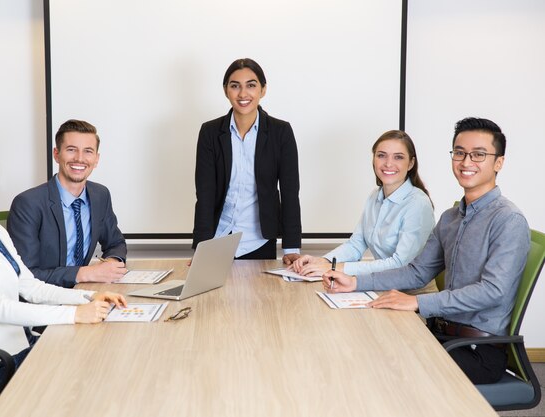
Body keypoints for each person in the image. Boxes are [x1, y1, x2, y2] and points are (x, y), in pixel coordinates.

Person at [323, 117, 530, 384]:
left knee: (385, 367)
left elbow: (493, 291)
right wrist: (354, 282)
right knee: (361, 344)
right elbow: (417, 272)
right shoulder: (450, 217)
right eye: (459, 153)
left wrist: (419, 302)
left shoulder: (508, 220)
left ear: (498, 162)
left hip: (478, 351)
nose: (466, 162)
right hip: (443, 334)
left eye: (478, 155)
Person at [0, 143, 127, 392]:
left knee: (102, 358)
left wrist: (88, 296)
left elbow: (29, 286)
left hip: (20, 346)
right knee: (88, 378)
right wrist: (75, 314)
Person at [290, 130, 435, 293]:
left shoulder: (417, 204)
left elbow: (399, 264)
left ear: (410, 163)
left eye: (398, 157)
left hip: (412, 299)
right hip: (382, 288)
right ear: (373, 159)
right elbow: (356, 244)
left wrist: (334, 268)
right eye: (381, 155)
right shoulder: (375, 196)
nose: (388, 163)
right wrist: (322, 261)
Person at [192, 58, 301, 262]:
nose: (243, 94)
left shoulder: (281, 132)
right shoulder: (210, 132)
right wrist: (201, 248)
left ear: (263, 89)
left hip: (258, 241)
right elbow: (205, 196)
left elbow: (290, 193)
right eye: (235, 86)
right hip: (217, 240)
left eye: (251, 85)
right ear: (226, 90)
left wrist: (291, 248)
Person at [8, 119, 127, 288]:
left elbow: (115, 243)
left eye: (88, 151)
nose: (79, 158)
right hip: (45, 300)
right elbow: (25, 274)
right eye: (71, 150)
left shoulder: (100, 195)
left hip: (85, 290)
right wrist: (86, 273)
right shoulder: (28, 203)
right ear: (57, 154)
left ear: (96, 159)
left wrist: (112, 263)